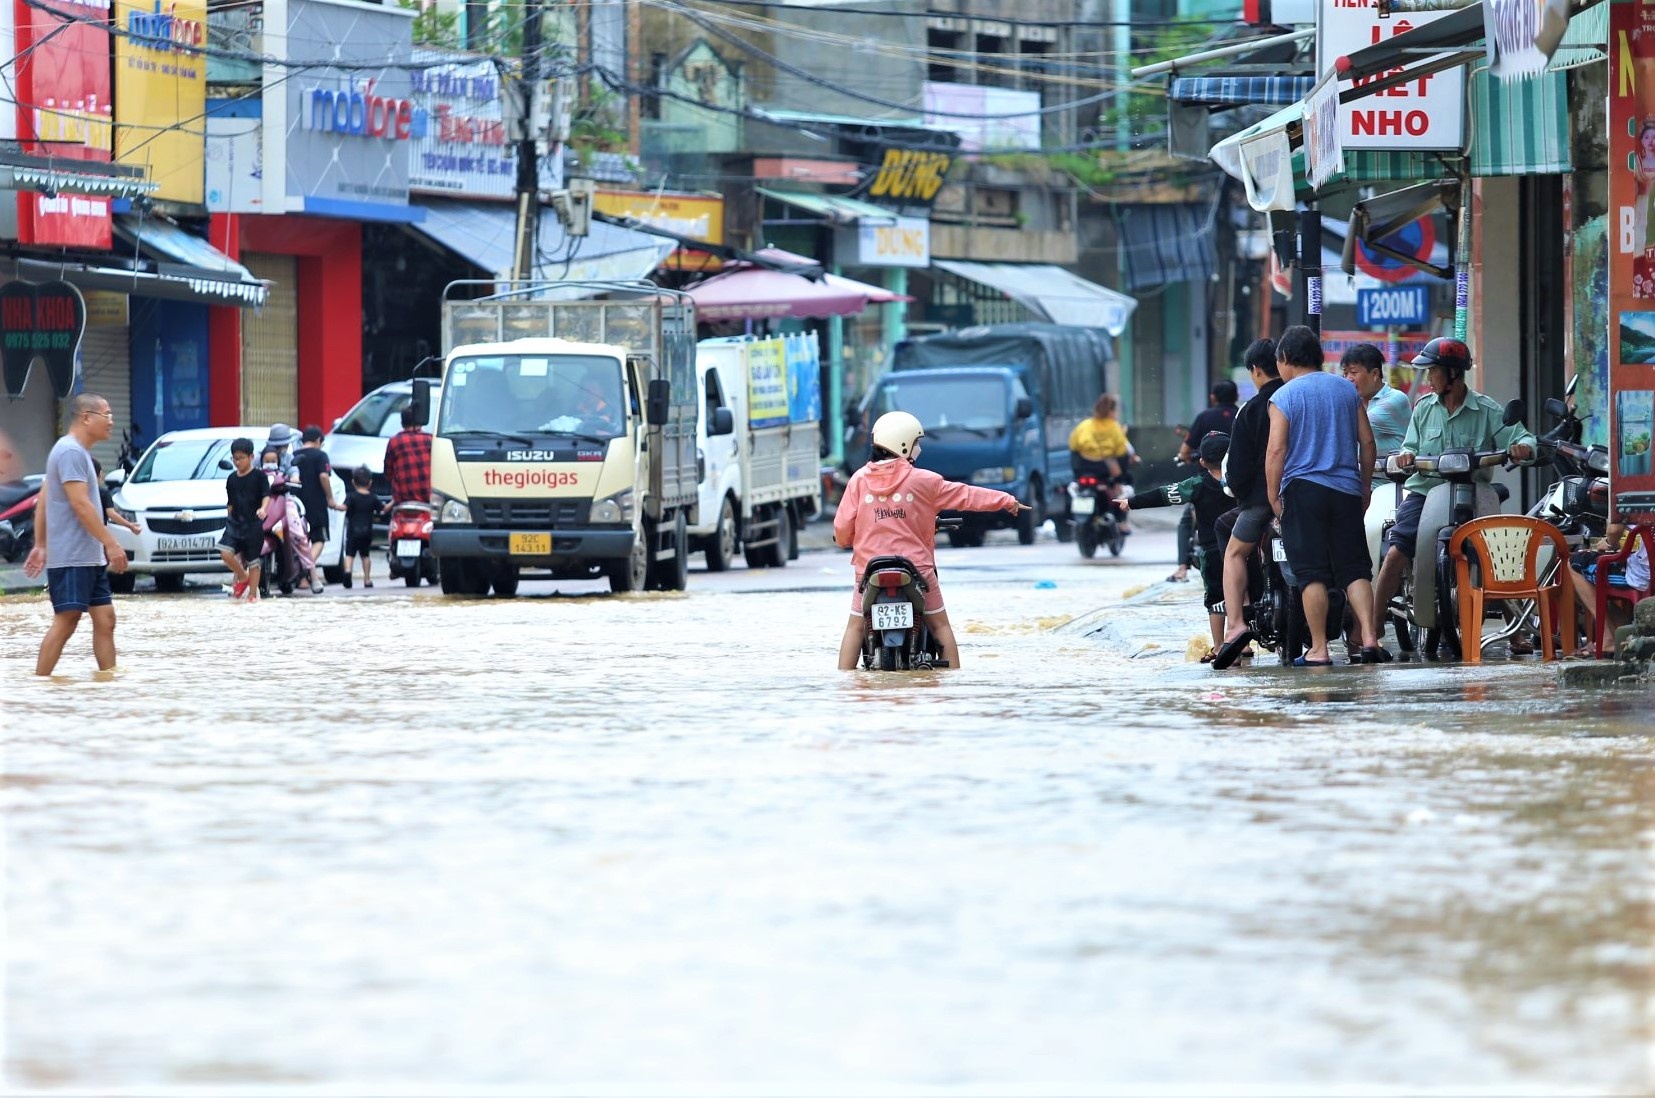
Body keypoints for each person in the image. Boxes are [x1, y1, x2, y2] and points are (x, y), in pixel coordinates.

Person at [834, 411, 1027, 670]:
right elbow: (967, 495)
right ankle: (954, 681)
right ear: (903, 443)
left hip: (869, 572)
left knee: (855, 628)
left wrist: (845, 540)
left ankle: (844, 685)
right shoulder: (925, 481)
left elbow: (842, 528)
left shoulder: (858, 480)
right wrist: (1006, 500)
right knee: (940, 626)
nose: (919, 448)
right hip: (918, 572)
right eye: (916, 442)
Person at [1369, 337, 1536, 636]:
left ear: (1453, 374)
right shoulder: (1423, 409)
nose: (1429, 378)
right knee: (1396, 552)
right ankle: (1372, 628)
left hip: (1474, 493)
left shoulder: (1486, 409)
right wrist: (1406, 455)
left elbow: (1521, 436)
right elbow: (1409, 447)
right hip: (1424, 492)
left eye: (1433, 371)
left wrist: (1523, 447)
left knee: (1498, 553)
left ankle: (1518, 631)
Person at [1262, 325, 1385, 666]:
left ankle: (1318, 649)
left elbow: (1276, 451)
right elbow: (1368, 442)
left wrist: (1273, 495)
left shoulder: (1284, 396)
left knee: (1311, 572)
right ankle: (1370, 638)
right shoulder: (1346, 390)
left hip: (1304, 492)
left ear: (1286, 359)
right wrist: (1362, 486)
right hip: (1345, 490)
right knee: (1355, 568)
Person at [22, 393, 131, 676]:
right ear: (86, 417)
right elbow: (80, 505)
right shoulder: (70, 452)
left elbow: (44, 497)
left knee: (106, 619)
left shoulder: (77, 452)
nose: (111, 421)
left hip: (88, 557)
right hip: (72, 556)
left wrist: (41, 544)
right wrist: (112, 543)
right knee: (67, 619)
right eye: (106, 415)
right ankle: (40, 683)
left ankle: (108, 683)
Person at [1122, 431, 1234, 657]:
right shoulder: (1241, 482)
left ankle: (1220, 646)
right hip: (1245, 549)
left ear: (1202, 462)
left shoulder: (1196, 484)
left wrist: (1132, 502)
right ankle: (1246, 644)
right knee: (1245, 595)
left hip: (1213, 552)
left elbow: (1164, 494)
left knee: (1215, 598)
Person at [1211, 337, 1284, 668]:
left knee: (1234, 553)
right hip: (1303, 498)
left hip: (1259, 503)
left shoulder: (1253, 409)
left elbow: (1237, 467)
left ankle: (1236, 623)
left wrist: (1240, 492)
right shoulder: (1298, 400)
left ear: (1256, 371)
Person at [1170, 380, 1240, 582]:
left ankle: (1182, 568)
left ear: (1213, 397)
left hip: (1208, 482)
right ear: (1236, 396)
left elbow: (1184, 451)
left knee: (1186, 521)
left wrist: (1186, 457)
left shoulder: (1204, 417)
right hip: (1236, 483)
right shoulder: (1243, 413)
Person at [1568, 523, 1651, 653]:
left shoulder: (1636, 501)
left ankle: (1608, 638)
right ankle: (1623, 631)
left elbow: (1614, 530)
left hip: (1644, 576)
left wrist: (1609, 542)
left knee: (1575, 563)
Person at [1068, 393, 1138, 534]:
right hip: (1104, 471)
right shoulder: (1114, 428)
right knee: (1126, 482)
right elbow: (1121, 452)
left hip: (1083, 469)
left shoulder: (1084, 425)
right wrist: (1119, 478)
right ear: (1111, 411)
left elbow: (1073, 446)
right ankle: (1121, 522)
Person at [290, 425, 343, 593]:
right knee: (319, 538)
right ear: (319, 441)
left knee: (300, 539)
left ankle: (303, 576)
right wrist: (330, 498)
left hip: (296, 504)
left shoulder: (293, 456)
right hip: (316, 504)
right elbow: (323, 476)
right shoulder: (321, 455)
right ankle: (304, 571)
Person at [218, 438, 269, 603]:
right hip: (235, 523)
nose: (237, 462)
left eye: (241, 458)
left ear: (251, 456)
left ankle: (252, 595)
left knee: (253, 560)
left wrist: (263, 509)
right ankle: (242, 576)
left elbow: (266, 496)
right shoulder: (231, 479)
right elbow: (230, 503)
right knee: (225, 553)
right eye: (235, 458)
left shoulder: (260, 476)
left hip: (253, 524)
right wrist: (228, 516)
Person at [383, 406, 432, 510]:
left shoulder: (394, 442)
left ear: (402, 423)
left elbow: (388, 473)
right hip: (428, 499)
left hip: (402, 500)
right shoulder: (430, 440)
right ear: (420, 421)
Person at [343, 465, 378, 589]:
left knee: (349, 554)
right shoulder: (373, 497)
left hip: (353, 531)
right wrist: (393, 502)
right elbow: (383, 509)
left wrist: (334, 505)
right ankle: (367, 579)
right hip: (367, 531)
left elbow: (344, 507)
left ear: (353, 482)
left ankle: (347, 572)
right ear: (370, 483)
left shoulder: (351, 497)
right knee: (365, 555)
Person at [93, 458, 140, 536]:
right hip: (99, 533)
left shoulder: (77, 493)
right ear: (100, 474)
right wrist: (130, 525)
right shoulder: (104, 493)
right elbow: (111, 514)